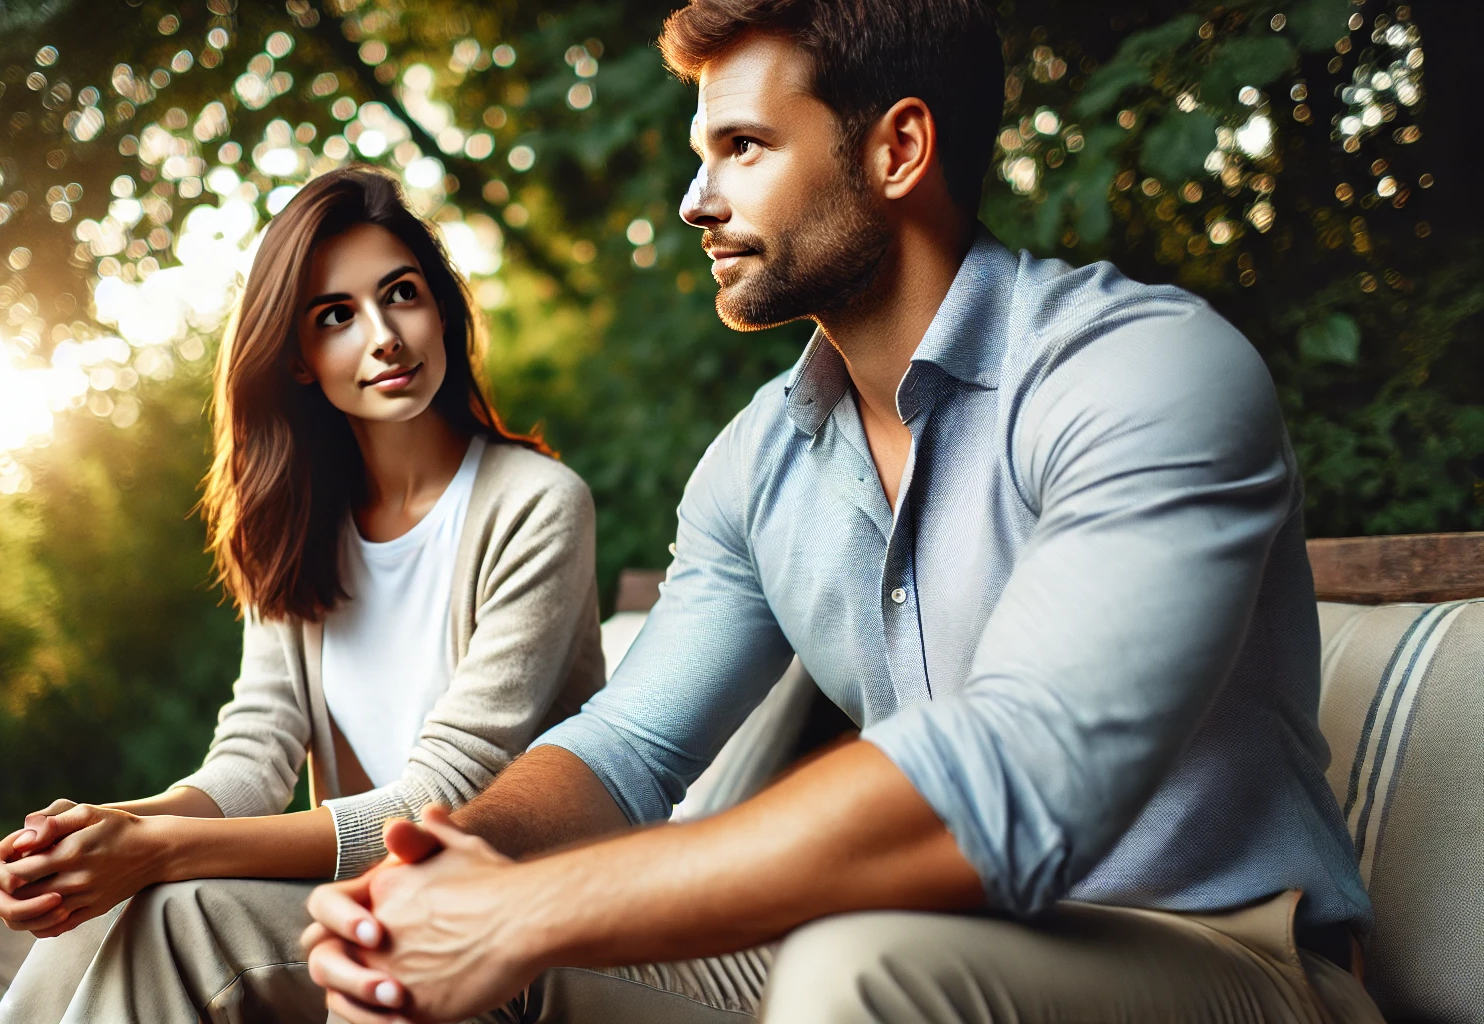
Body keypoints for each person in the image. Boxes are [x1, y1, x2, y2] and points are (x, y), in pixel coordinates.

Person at [298, 2, 1388, 1022]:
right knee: (436, 975)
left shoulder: (1141, 368)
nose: (696, 201)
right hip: (925, 940)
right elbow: (627, 747)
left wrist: (528, 909)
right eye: (699, 155)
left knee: (853, 962)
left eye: (743, 148)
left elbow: (1018, 766)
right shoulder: (758, 461)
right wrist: (437, 873)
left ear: (898, 150)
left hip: (1229, 954)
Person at [0, 166, 605, 1023]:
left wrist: (159, 850)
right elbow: (254, 754)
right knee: (123, 899)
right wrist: (91, 835)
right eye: (336, 317)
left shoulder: (535, 505)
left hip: (506, 934)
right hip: (365, 916)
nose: (383, 337)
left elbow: (441, 797)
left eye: (402, 295)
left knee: (182, 905)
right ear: (301, 361)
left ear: (443, 311)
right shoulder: (300, 521)